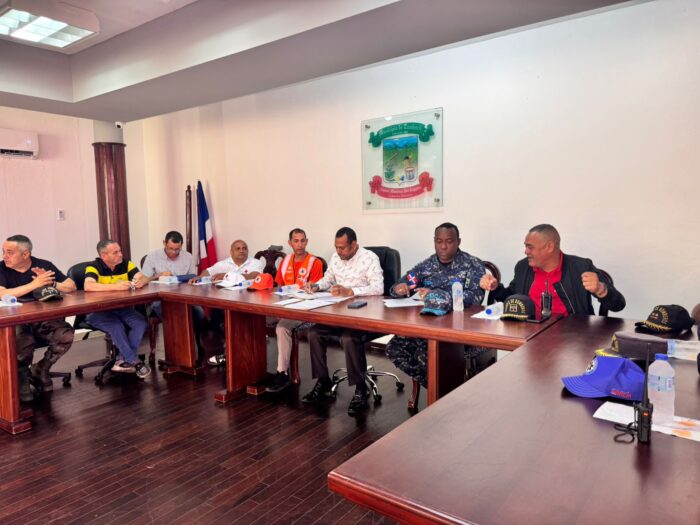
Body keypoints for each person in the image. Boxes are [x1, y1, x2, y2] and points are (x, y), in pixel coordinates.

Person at [385, 223, 489, 389]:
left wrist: (437, 294)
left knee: (429, 354)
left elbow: (474, 297)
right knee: (395, 348)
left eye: (449, 241)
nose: (443, 246)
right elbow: (402, 284)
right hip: (428, 328)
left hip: (460, 331)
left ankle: (443, 391)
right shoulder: (426, 266)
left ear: (458, 242)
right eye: (439, 241)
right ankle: (440, 390)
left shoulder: (473, 264)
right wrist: (399, 289)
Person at [301, 227, 383, 416]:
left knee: (349, 338)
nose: (338, 251)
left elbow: (378, 288)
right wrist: (316, 286)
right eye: (336, 247)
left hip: (364, 316)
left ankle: (361, 389)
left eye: (342, 248)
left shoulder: (369, 258)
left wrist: (351, 291)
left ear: (354, 245)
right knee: (314, 333)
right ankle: (323, 381)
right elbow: (328, 279)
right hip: (339, 314)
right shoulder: (336, 257)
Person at [480, 223, 625, 317]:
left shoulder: (581, 267)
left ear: (549, 247)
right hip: (530, 336)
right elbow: (513, 299)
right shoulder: (523, 267)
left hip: (574, 339)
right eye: (525, 246)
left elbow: (619, 305)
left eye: (530, 247)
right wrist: (495, 287)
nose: (526, 251)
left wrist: (601, 289)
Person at [0, 235, 76, 402]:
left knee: (65, 335)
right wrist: (34, 284)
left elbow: (71, 286)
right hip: (15, 321)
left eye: (10, 252)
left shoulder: (43, 265)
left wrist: (51, 283)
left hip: (42, 319)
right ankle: (21, 376)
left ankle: (41, 368)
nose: (5, 256)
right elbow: (2, 293)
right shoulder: (1, 268)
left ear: (25, 254)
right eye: (3, 251)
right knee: (22, 342)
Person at [266, 228, 324, 393]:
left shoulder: (315, 262)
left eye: (302, 241)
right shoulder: (285, 261)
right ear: (290, 243)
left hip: (304, 309)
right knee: (254, 318)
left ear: (307, 242)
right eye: (296, 241)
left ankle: (282, 373)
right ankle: (252, 367)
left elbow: (319, 289)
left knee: (282, 327)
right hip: (284, 306)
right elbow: (278, 286)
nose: (299, 244)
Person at [84, 240, 151, 378]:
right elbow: (88, 286)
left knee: (140, 323)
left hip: (121, 308)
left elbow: (143, 277)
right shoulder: (93, 266)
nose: (120, 254)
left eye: (120, 251)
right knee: (116, 326)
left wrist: (141, 282)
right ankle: (134, 361)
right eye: (115, 252)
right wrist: (116, 286)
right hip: (98, 311)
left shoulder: (126, 264)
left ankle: (121, 360)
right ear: (104, 255)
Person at [196, 240, 264, 366]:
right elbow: (208, 272)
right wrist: (199, 278)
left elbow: (253, 276)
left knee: (237, 319)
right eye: (238, 248)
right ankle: (230, 353)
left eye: (244, 248)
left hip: (250, 301)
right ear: (231, 252)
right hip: (228, 302)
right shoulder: (223, 264)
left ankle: (238, 354)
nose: (241, 251)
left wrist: (227, 275)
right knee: (218, 315)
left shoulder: (255, 263)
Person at [141, 231, 205, 359]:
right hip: (160, 299)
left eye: (177, 249)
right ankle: (178, 349)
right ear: (164, 243)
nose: (174, 252)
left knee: (199, 314)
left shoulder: (187, 256)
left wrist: (190, 279)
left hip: (183, 297)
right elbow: (143, 280)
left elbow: (192, 277)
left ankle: (195, 344)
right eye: (171, 248)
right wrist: (158, 275)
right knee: (174, 316)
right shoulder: (153, 256)